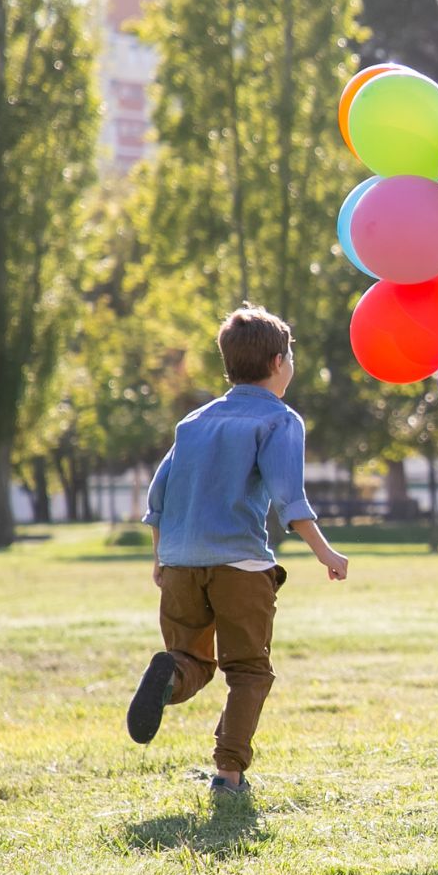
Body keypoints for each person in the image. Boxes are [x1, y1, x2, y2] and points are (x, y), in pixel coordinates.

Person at [126, 304, 351, 797]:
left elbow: (158, 496)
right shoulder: (279, 420)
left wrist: (160, 557)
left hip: (182, 563)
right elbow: (290, 499)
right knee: (248, 670)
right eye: (290, 356)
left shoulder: (194, 422)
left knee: (192, 660)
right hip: (240, 564)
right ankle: (228, 775)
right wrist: (326, 553)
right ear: (277, 363)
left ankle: (171, 674)